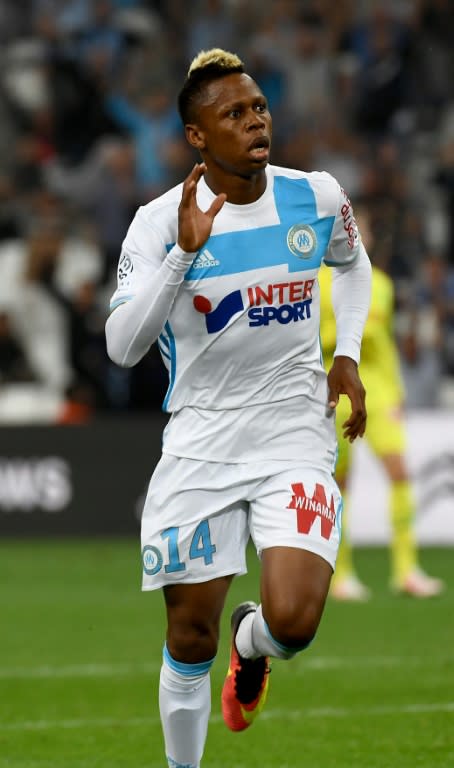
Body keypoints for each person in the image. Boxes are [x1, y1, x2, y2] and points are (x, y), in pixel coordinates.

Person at [105, 48, 371, 768]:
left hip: (294, 431)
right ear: (198, 137)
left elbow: (353, 264)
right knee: (190, 636)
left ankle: (252, 645)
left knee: (295, 623)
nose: (256, 122)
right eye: (234, 114)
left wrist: (345, 352)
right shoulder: (159, 223)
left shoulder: (314, 197)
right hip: (203, 441)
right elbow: (123, 346)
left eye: (259, 108)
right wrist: (180, 259)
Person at [319, 205, 444, 601]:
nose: (359, 235)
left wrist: (397, 393)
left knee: (400, 472)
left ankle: (406, 569)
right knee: (340, 485)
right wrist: (350, 337)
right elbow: (313, 341)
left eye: (363, 230)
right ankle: (342, 575)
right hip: (334, 387)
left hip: (378, 390)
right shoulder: (315, 283)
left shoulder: (383, 284)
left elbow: (386, 345)